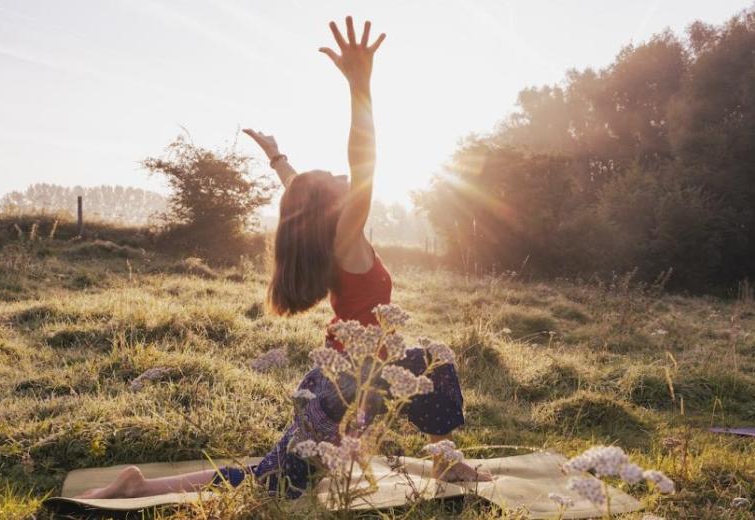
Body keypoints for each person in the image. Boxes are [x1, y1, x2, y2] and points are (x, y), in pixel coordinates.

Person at [77, 17, 489, 501]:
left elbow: (299, 193)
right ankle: (138, 487)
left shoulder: (327, 236)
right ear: (333, 203)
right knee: (276, 482)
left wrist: (277, 157)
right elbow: (362, 163)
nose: (342, 176)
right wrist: (361, 85)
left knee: (434, 361)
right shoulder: (346, 238)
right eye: (334, 179)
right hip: (343, 388)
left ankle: (447, 461)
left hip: (337, 380)